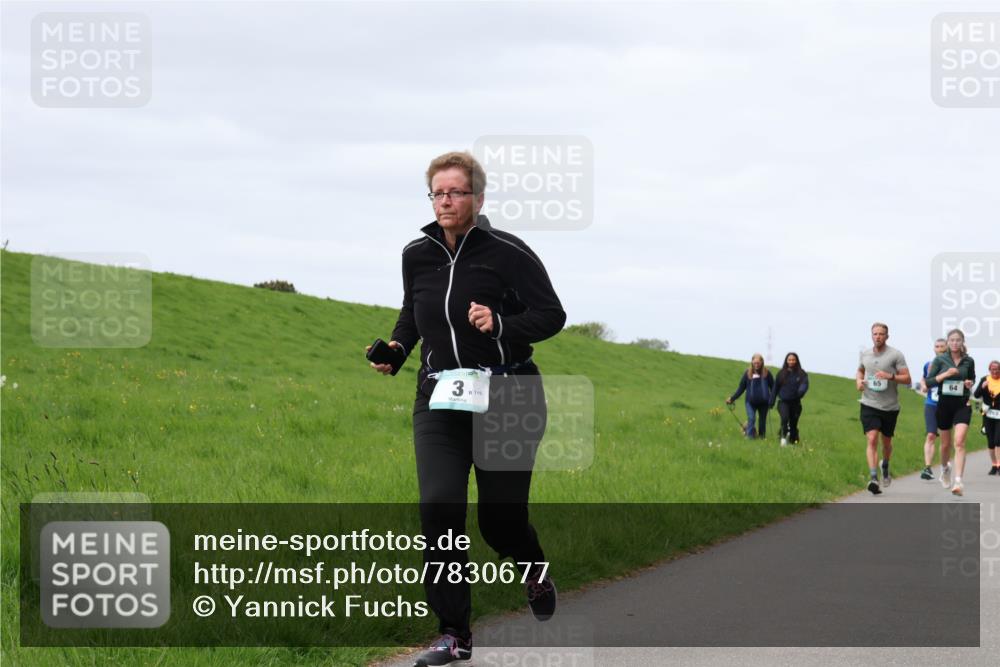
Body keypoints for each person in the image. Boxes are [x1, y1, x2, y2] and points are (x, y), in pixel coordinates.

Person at [368, 151, 565, 667]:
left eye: (455, 192)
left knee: (500, 521)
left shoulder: (509, 253)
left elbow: (552, 315)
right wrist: (396, 349)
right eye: (437, 193)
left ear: (477, 197)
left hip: (508, 395)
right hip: (439, 398)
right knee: (439, 506)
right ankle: (453, 633)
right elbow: (413, 312)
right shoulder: (417, 254)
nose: (445, 201)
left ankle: (532, 566)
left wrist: (501, 325)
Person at [856, 322, 911, 495]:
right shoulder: (865, 354)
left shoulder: (896, 355)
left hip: (889, 407)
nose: (878, 336)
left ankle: (885, 465)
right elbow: (860, 370)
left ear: (887, 336)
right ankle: (873, 478)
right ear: (871, 335)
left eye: (881, 334)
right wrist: (858, 381)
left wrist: (889, 376)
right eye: (875, 334)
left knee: (886, 443)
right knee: (872, 438)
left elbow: (907, 379)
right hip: (869, 403)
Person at [925, 328, 976, 496]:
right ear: (948, 342)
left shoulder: (968, 361)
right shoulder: (940, 360)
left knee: (959, 442)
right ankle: (945, 469)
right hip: (944, 404)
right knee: (945, 444)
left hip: (962, 404)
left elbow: (972, 378)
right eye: (952, 340)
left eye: (958, 340)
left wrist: (969, 383)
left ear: (962, 342)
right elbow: (929, 382)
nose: (955, 343)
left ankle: (958, 481)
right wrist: (946, 374)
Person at [918, 338, 948, 480]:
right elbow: (923, 378)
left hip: (947, 405)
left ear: (947, 348)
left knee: (945, 439)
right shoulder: (928, 365)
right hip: (931, 404)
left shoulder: (952, 365)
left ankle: (944, 466)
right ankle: (928, 468)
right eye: (937, 346)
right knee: (931, 435)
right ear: (934, 349)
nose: (939, 349)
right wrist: (924, 385)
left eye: (942, 346)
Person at [726, 354, 773, 439]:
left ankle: (762, 438)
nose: (756, 365)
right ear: (752, 362)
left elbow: (773, 387)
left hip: (764, 403)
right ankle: (749, 437)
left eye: (758, 363)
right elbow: (741, 388)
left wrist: (772, 400)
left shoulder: (767, 373)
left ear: (762, 362)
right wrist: (732, 398)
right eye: (754, 363)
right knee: (751, 418)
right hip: (750, 402)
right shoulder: (748, 373)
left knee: (762, 421)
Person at [770, 352, 809, 446]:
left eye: (793, 360)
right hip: (783, 402)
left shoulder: (802, 373)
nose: (791, 361)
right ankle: (783, 438)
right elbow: (775, 388)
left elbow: (805, 384)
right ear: (786, 361)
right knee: (784, 419)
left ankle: (793, 441)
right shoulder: (781, 373)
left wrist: (801, 391)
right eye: (789, 360)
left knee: (793, 424)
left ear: (796, 361)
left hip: (796, 403)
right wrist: (771, 401)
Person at [973, 360, 1000, 475]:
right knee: (991, 442)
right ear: (989, 370)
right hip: (988, 415)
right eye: (993, 369)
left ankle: (999, 465)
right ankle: (994, 465)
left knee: (998, 440)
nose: (995, 371)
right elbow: (976, 395)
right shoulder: (984, 379)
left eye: (997, 369)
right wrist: (982, 387)